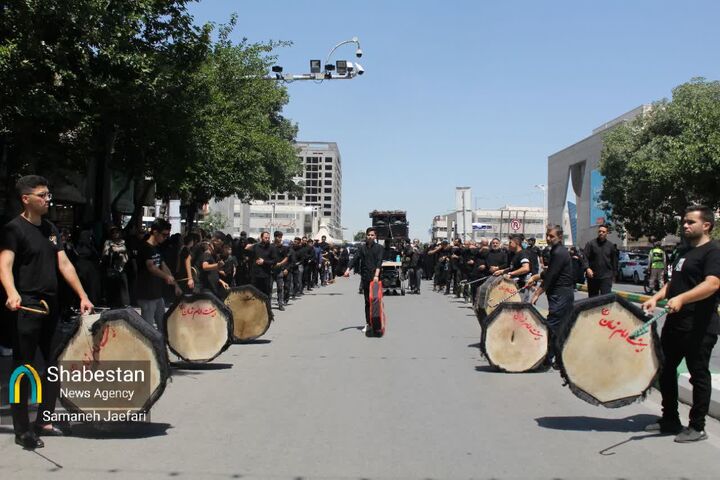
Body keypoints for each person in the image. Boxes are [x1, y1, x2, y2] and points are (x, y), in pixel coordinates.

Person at [0, 175, 94, 449]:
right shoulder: (13, 229)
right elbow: (4, 266)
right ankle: (22, 430)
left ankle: (44, 419)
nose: (47, 199)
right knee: (24, 369)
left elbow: (64, 265)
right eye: (42, 195)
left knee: (53, 368)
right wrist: (11, 292)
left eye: (48, 194)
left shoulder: (51, 229)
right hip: (26, 308)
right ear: (26, 199)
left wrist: (83, 295)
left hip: (51, 308)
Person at [642, 206, 720, 443]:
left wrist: (683, 299)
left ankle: (697, 426)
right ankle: (670, 419)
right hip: (675, 324)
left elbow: (713, 284)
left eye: (690, 222)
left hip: (699, 325)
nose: (685, 226)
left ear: (706, 225)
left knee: (699, 375)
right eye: (684, 222)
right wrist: (657, 297)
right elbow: (674, 283)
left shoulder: (713, 251)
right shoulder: (683, 251)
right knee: (665, 370)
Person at [529, 225, 575, 369]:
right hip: (558, 294)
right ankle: (555, 358)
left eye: (552, 236)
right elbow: (552, 271)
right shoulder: (555, 251)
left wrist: (537, 292)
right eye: (547, 235)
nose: (548, 238)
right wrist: (539, 276)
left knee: (552, 326)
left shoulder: (560, 252)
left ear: (560, 237)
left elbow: (552, 275)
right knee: (559, 327)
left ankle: (548, 357)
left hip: (561, 294)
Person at [136, 219, 180, 329]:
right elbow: (151, 267)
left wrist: (175, 284)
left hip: (157, 294)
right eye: (164, 235)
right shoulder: (145, 247)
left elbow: (164, 266)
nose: (166, 238)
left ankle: (161, 345)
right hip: (146, 294)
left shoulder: (157, 248)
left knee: (163, 325)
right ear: (155, 232)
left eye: (167, 235)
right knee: (148, 328)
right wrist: (166, 277)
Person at [344, 227, 384, 330]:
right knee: (367, 301)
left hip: (375, 278)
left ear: (375, 236)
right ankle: (368, 324)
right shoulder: (362, 248)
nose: (370, 237)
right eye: (368, 235)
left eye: (372, 235)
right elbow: (355, 258)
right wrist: (348, 269)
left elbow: (379, 262)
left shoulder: (379, 248)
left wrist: (376, 275)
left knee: (375, 300)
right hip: (365, 277)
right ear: (366, 236)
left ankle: (377, 323)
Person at [494, 234, 532, 301]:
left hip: (521, 286)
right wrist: (502, 271)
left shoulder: (522, 254)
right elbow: (513, 268)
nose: (509, 244)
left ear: (516, 243)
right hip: (513, 286)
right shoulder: (514, 255)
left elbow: (526, 268)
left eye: (510, 242)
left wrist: (511, 274)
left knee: (519, 307)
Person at [583, 224, 618, 297]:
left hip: (606, 277)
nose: (601, 233)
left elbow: (614, 261)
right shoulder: (591, 244)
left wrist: (614, 274)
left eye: (603, 231)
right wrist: (587, 268)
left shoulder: (611, 246)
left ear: (607, 233)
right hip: (593, 277)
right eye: (599, 231)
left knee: (605, 299)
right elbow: (585, 257)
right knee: (592, 300)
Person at [102, 226, 129, 307]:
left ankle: (124, 303)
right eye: (113, 232)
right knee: (112, 285)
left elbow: (126, 251)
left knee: (123, 284)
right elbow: (105, 253)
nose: (115, 234)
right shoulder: (108, 242)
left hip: (122, 266)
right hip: (112, 266)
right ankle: (112, 303)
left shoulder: (123, 242)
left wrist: (118, 250)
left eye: (117, 232)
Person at [245, 231, 278, 297]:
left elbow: (275, 261)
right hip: (255, 274)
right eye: (266, 237)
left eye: (268, 238)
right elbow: (248, 252)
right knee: (254, 293)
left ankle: (266, 307)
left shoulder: (272, 248)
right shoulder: (256, 246)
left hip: (266, 275)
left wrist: (264, 262)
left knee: (265, 294)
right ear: (261, 238)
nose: (267, 239)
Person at [272, 231, 290, 310]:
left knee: (280, 288)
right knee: (269, 288)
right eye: (278, 237)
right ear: (275, 237)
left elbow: (286, 258)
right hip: (271, 270)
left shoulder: (284, 248)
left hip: (279, 271)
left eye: (281, 237)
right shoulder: (270, 246)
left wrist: (284, 268)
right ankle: (268, 305)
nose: (280, 238)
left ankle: (280, 304)